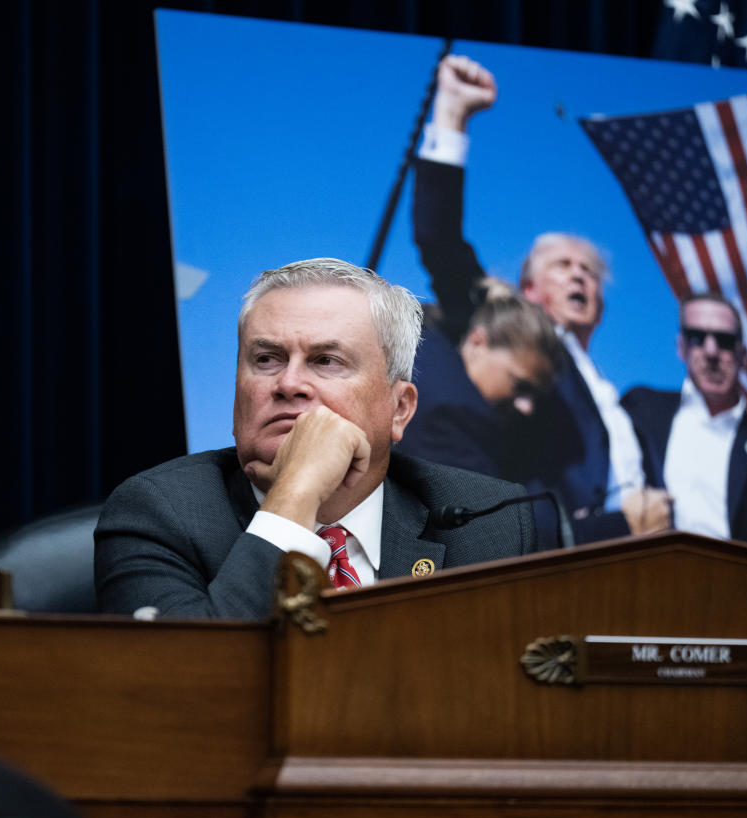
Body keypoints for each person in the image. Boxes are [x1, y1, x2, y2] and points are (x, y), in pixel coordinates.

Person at [94, 257, 538, 620]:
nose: (289, 383)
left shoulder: (486, 523)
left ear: (399, 408)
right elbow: (187, 685)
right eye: (266, 359)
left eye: (326, 361)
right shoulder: (159, 513)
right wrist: (297, 494)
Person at [413, 54, 670, 543]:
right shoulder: (505, 329)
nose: (579, 277)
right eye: (563, 266)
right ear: (528, 291)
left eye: (589, 272)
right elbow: (438, 238)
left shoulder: (624, 400)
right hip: (560, 559)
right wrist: (451, 116)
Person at [622, 294, 747, 560]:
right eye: (698, 337)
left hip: (733, 594)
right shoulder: (641, 409)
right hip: (640, 582)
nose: (711, 352)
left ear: (742, 355)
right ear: (681, 347)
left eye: (724, 341)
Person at [400, 279, 562, 482]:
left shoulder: (413, 351)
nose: (527, 407)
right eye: (521, 385)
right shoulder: (453, 418)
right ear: (477, 342)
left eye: (534, 395)